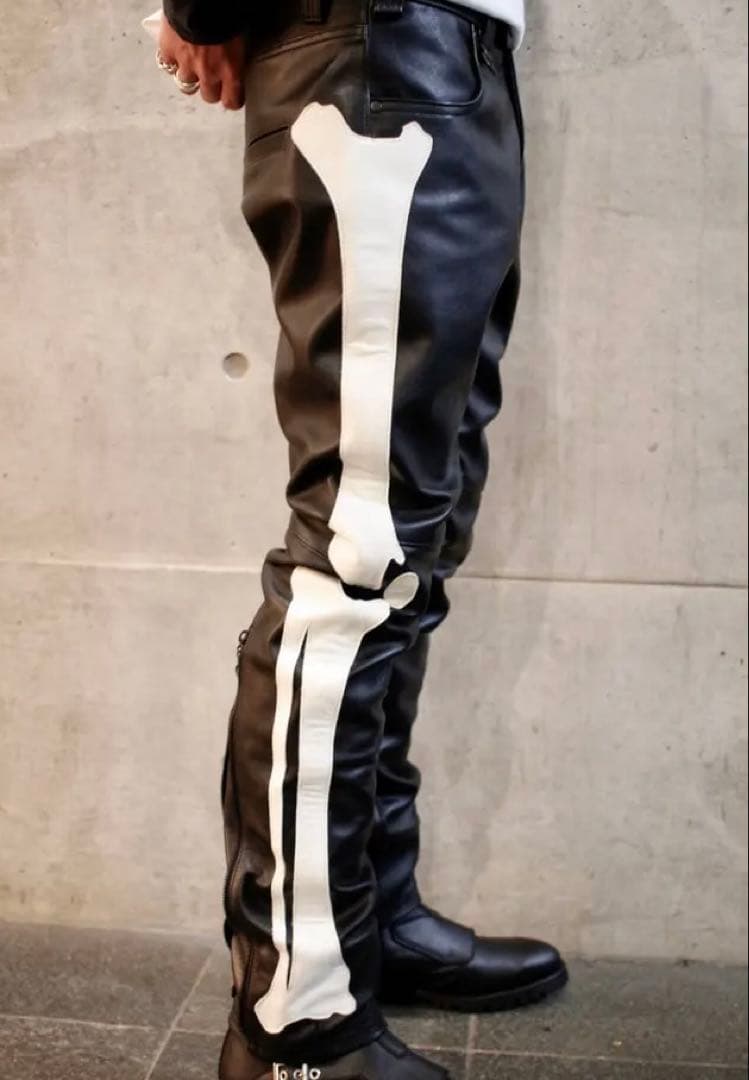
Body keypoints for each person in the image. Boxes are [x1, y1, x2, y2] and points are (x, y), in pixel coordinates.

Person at [153, 1, 567, 1076]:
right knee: (358, 555)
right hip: (376, 59)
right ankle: (299, 1015)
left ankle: (365, 921)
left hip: (446, 61)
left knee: (409, 548)